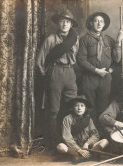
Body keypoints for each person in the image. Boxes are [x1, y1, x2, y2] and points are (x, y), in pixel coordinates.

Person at [36, 9, 79, 151]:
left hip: (70, 72)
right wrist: (47, 75)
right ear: (58, 23)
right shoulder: (51, 39)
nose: (65, 24)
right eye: (62, 21)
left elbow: (75, 57)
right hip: (55, 72)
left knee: (72, 106)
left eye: (68, 21)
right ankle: (53, 141)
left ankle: (70, 138)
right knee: (54, 109)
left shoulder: (75, 39)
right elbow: (40, 61)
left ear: (71, 24)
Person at [77, 12, 121, 126]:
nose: (99, 23)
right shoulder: (84, 39)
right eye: (96, 21)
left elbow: (117, 59)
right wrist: (96, 70)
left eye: (101, 21)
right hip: (89, 78)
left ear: (104, 24)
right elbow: (81, 60)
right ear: (91, 23)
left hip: (105, 78)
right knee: (90, 107)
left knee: (104, 107)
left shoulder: (108, 40)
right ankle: (91, 133)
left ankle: (102, 135)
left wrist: (118, 42)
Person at [57, 96, 108, 163]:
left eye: (82, 106)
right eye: (76, 106)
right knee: (60, 147)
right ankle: (87, 155)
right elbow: (67, 137)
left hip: (87, 147)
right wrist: (78, 149)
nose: (79, 108)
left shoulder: (89, 120)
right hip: (73, 147)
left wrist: (87, 143)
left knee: (105, 141)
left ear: (85, 108)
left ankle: (83, 156)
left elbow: (95, 135)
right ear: (73, 108)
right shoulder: (67, 119)